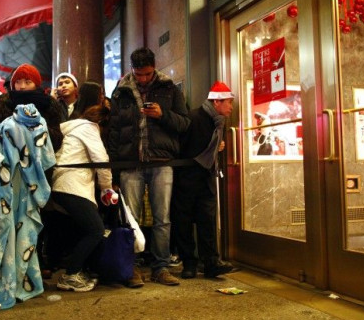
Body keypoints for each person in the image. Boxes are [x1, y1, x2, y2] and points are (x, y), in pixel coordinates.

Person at [107, 47, 190, 287]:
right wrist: (114, 169)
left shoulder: (168, 88)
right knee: (129, 218)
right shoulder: (121, 92)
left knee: (162, 217)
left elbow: (184, 124)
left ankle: (160, 267)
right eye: (139, 74)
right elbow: (114, 133)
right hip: (130, 162)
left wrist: (162, 115)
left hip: (161, 161)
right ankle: (129, 267)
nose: (143, 79)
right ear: (131, 69)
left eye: (147, 74)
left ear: (155, 68)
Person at [171, 81, 235, 279]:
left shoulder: (218, 121)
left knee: (207, 220)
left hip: (206, 177)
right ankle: (189, 264)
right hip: (187, 177)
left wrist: (217, 147)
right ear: (217, 102)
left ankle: (211, 262)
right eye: (229, 103)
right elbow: (181, 144)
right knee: (184, 221)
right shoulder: (193, 117)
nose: (231, 107)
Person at [51, 103, 115, 292]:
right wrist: (106, 188)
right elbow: (101, 159)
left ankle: (76, 271)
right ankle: (70, 275)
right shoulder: (89, 128)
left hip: (62, 183)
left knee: (82, 230)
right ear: (103, 122)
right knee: (96, 230)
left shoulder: (72, 127)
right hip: (72, 185)